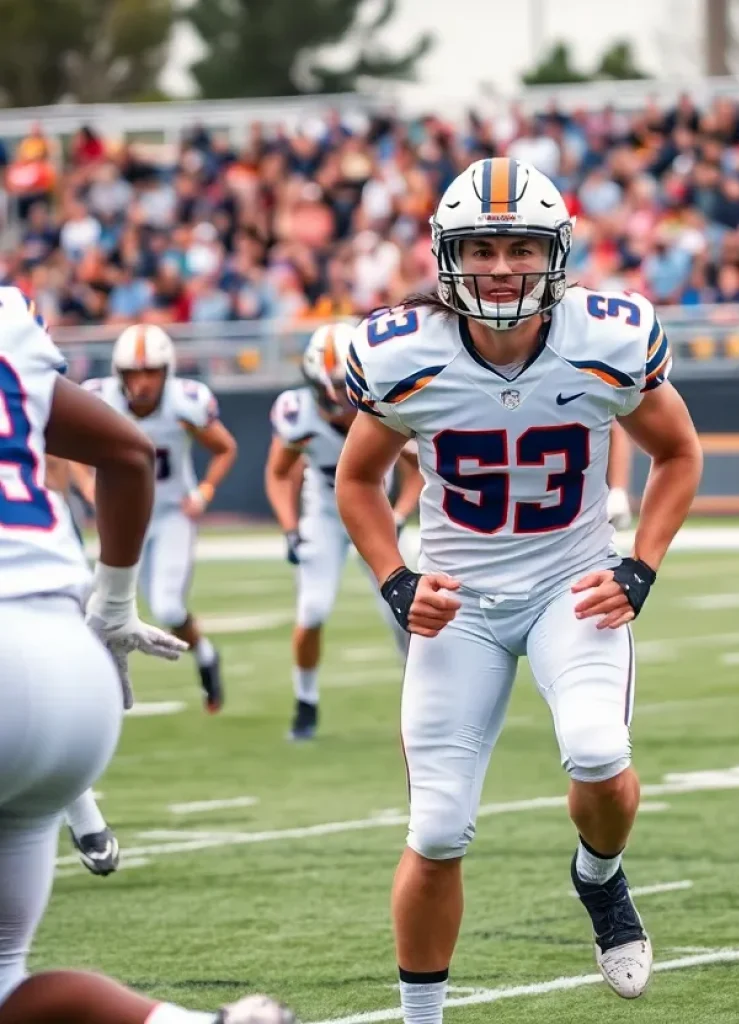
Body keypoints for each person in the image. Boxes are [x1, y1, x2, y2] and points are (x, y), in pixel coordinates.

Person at [336, 157, 703, 1022]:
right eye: (482, 249)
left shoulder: (606, 339)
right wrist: (396, 580)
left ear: (555, 253)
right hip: (458, 604)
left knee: (599, 755)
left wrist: (640, 564)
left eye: (521, 249)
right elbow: (357, 481)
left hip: (571, 586)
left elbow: (679, 452)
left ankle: (600, 877)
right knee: (436, 827)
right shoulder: (402, 355)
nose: (502, 267)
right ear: (448, 255)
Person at [0, 287, 292, 1024]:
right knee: (4, 978)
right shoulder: (12, 319)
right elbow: (127, 452)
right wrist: (112, 607)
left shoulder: (184, 402)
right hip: (73, 672)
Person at [265, 323, 421, 740]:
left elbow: (419, 469)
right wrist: (290, 528)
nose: (339, 397)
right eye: (330, 386)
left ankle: (419, 695)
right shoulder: (297, 413)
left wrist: (400, 514)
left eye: (345, 383)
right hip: (325, 514)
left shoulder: (387, 403)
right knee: (312, 610)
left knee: (406, 612)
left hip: (376, 513)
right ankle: (305, 701)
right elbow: (278, 473)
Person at [83, 325, 237, 712]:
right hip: (121, 515)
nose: (143, 382)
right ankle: (98, 691)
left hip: (170, 514)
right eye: (134, 373)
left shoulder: (185, 403)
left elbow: (225, 448)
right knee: (102, 604)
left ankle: (205, 655)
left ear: (167, 371)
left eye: (151, 371)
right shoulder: (98, 400)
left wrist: (204, 491)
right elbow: (65, 451)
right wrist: (87, 487)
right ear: (118, 374)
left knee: (167, 608)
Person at [44, 454, 119, 875]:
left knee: (48, 685)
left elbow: (126, 454)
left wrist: (120, 596)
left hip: (33, 538)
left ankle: (82, 809)